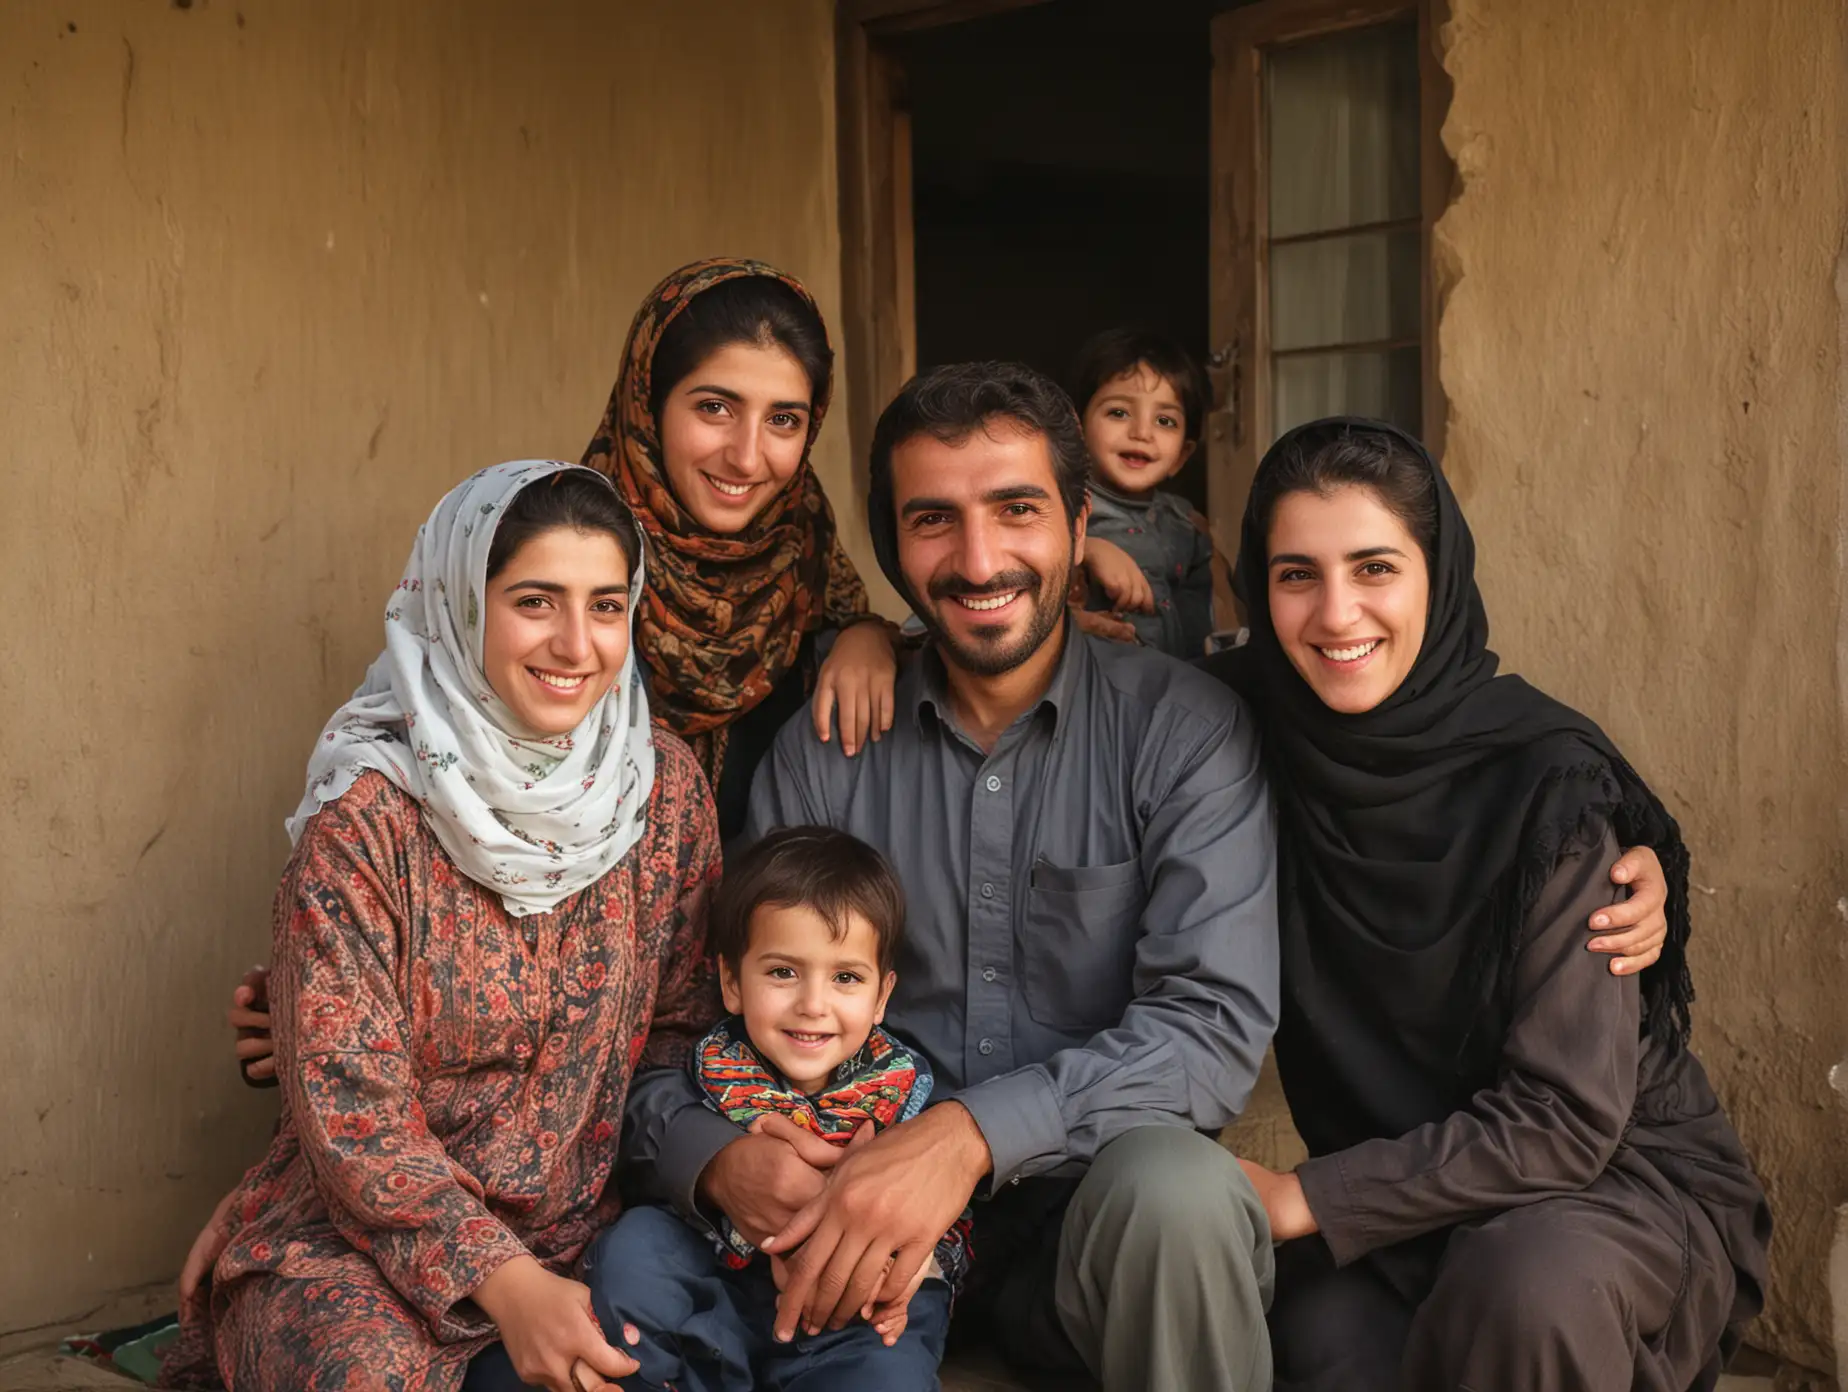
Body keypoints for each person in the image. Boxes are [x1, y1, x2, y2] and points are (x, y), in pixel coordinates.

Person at [613, 358, 1283, 1391]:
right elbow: (699, 1015)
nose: (980, 559)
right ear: (893, 542)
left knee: (1182, 1193)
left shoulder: (1180, 733)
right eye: (934, 521)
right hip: (841, 1216)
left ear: (1078, 516)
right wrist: (716, 1158)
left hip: (1084, 1208)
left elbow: (1212, 1031)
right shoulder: (824, 751)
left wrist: (969, 1135)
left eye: (1017, 509)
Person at [222, 258, 896, 1087]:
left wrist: (865, 630)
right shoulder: (556, 558)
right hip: (551, 1082)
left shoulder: (816, 607)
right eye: (714, 407)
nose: (747, 454)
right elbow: (430, 814)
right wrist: (313, 1000)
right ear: (648, 403)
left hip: (742, 1065)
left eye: (785, 419)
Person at [1209, 419, 1771, 1391]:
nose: (1336, 613)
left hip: (1603, 1186)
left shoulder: (1544, 784)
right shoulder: (1240, 730)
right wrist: (875, 641)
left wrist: (1308, 1196)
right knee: (1318, 1341)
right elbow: (1067, 688)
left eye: (1374, 567)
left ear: (1439, 573)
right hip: (1403, 1201)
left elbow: (1564, 1117)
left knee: (1521, 1294)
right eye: (1296, 574)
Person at [159, 462, 720, 1392]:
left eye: (607, 606)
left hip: (584, 1234)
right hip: (353, 1247)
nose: (577, 644)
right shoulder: (366, 825)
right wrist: (505, 1283)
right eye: (536, 601)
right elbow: (354, 1117)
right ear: (460, 604)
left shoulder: (660, 796)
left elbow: (679, 1027)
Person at [583, 825, 965, 1390]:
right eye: (783, 972)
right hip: (721, 1285)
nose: (813, 1005)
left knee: (889, 1361)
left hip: (846, 1311)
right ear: (732, 982)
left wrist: (906, 1267)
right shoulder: (717, 1066)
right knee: (635, 1252)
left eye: (845, 978)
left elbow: (943, 1213)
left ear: (882, 997)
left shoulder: (900, 1090)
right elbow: (649, 1152)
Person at [1067, 327, 1224, 657]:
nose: (1141, 433)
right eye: (1119, 413)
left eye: (1165, 421)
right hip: (1098, 683)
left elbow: (1203, 616)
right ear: (1077, 430)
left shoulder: (1184, 522)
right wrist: (1087, 549)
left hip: (1177, 683)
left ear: (1181, 456)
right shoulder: (1062, 506)